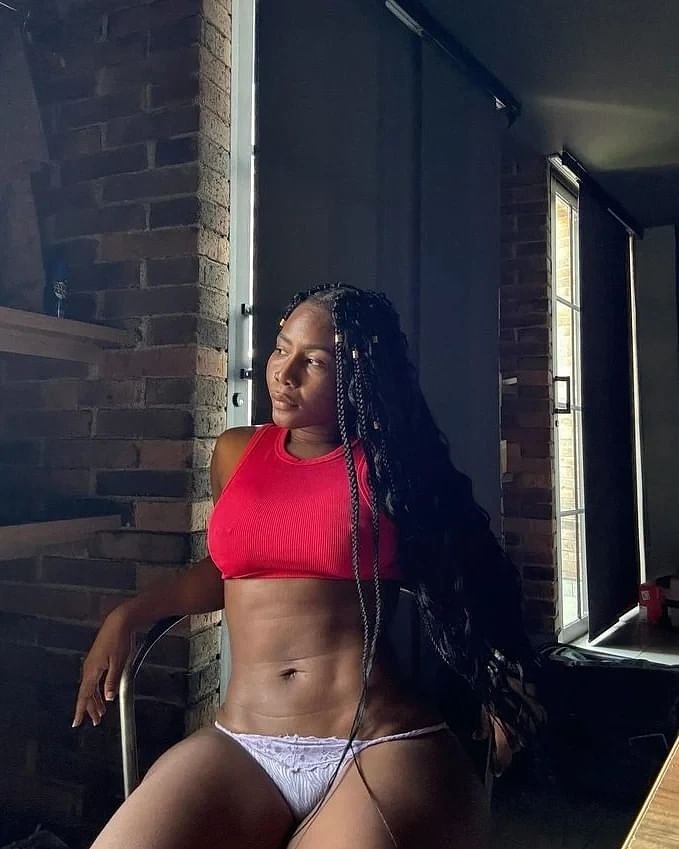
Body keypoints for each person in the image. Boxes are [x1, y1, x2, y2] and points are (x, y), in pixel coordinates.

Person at [74, 283, 542, 849]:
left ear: (357, 377)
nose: (284, 373)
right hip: (242, 742)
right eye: (280, 350)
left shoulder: (392, 469)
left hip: (375, 742)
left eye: (313, 361)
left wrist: (498, 680)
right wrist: (129, 614)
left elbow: (470, 570)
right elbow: (228, 570)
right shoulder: (236, 451)